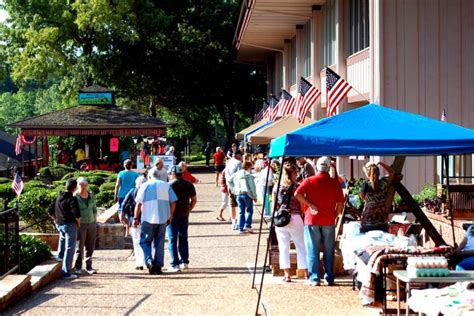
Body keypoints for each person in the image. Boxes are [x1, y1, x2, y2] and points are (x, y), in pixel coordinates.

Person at [295, 157, 345, 286]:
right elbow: (340, 203)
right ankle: (329, 277)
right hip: (328, 219)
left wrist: (309, 204)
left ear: (317, 167)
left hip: (312, 219)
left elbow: (297, 194)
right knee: (329, 250)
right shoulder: (335, 183)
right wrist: (334, 215)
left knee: (312, 249)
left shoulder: (309, 181)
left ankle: (314, 278)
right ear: (329, 168)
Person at [133, 168, 177, 274]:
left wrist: (135, 218)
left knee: (144, 241)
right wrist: (170, 216)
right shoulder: (166, 185)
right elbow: (173, 201)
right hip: (162, 218)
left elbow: (138, 203)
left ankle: (149, 261)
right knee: (159, 242)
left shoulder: (145, 185)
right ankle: (158, 266)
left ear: (149, 176)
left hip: (148, 218)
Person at [273, 163, 307, 282]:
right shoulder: (298, 186)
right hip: (295, 216)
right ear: (291, 174)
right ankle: (305, 272)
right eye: (295, 172)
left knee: (283, 247)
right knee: (301, 245)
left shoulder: (277, 187)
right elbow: (302, 204)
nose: (296, 175)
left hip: (281, 219)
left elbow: (274, 205)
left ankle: (287, 274)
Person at [48, 179, 81, 279]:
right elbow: (77, 215)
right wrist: (78, 224)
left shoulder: (58, 196)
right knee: (70, 247)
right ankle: (66, 272)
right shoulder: (72, 199)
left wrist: (55, 220)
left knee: (62, 240)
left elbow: (49, 210)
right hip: (70, 225)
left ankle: (59, 258)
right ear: (75, 188)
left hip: (60, 224)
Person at [167, 166, 197, 272]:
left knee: (172, 239)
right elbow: (194, 200)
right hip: (184, 214)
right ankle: (184, 261)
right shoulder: (189, 184)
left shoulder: (169, 185)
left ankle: (174, 263)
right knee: (183, 237)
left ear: (173, 174)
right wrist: (189, 209)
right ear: (182, 173)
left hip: (172, 215)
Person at [359, 161, 395, 233]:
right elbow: (392, 172)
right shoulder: (384, 182)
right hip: (382, 220)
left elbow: (362, 197)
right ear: (378, 173)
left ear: (367, 173)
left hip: (367, 220)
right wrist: (381, 163)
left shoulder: (365, 185)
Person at [121, 176, 147, 270]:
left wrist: (123, 216)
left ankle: (139, 263)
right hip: (146, 220)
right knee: (147, 241)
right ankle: (146, 260)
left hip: (134, 220)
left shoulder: (132, 191)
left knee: (136, 241)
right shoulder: (147, 192)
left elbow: (124, 204)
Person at [73, 177, 97, 275]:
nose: (83, 187)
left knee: (90, 246)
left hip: (91, 223)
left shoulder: (91, 195)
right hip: (80, 224)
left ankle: (89, 266)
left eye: (85, 185)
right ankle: (78, 267)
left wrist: (95, 221)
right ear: (78, 185)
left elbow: (94, 208)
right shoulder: (75, 196)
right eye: (81, 185)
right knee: (80, 246)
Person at [228, 161, 257, 234]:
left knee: (241, 211)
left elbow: (229, 181)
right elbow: (252, 187)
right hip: (247, 194)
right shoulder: (248, 175)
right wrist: (254, 196)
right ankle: (247, 226)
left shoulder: (236, 174)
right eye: (250, 167)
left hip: (238, 194)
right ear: (247, 167)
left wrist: (233, 189)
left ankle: (240, 228)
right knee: (249, 210)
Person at [225, 150, 243, 230]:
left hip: (229, 185)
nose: (242, 157)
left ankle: (233, 222)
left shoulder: (228, 162)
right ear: (238, 155)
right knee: (240, 204)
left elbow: (226, 174)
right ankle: (239, 222)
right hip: (237, 186)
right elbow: (240, 175)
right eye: (241, 155)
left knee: (232, 205)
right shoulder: (238, 163)